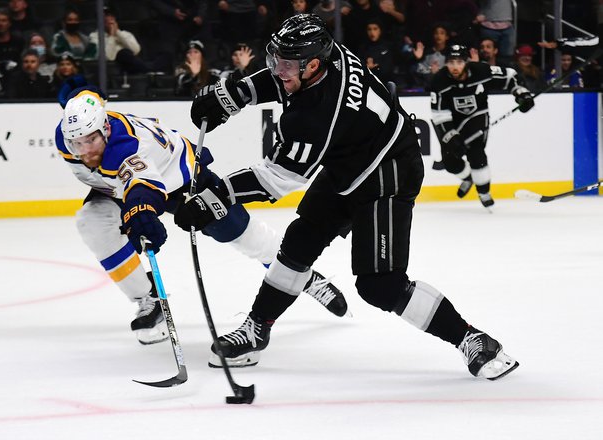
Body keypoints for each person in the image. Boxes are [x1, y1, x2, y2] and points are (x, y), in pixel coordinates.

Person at [175, 14, 519, 380]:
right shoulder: (325, 56)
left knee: (380, 285)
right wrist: (234, 95)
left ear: (312, 64)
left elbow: (278, 178)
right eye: (275, 58)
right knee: (300, 241)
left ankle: (474, 339)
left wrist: (216, 196)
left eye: (287, 64)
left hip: (388, 173)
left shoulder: (316, 114)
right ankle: (257, 328)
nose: (277, 69)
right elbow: (283, 80)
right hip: (350, 162)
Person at [55, 85, 348, 345]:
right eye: (77, 143)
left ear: (105, 129)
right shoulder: (70, 134)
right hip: (119, 188)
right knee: (91, 222)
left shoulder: (126, 149)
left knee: (241, 235)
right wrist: (81, 90)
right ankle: (150, 299)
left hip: (179, 178)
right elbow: (88, 96)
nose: (85, 151)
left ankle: (302, 276)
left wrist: (141, 213)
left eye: (90, 140)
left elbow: (144, 188)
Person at [428, 44, 534, 208]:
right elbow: (439, 115)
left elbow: (511, 76)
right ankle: (468, 178)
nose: (455, 67)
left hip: (476, 117)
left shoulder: (482, 71)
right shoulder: (439, 81)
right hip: (452, 122)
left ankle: (484, 192)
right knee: (450, 162)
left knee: (476, 154)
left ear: (466, 62)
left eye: (459, 62)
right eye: (451, 62)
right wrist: (452, 136)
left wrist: (521, 93)